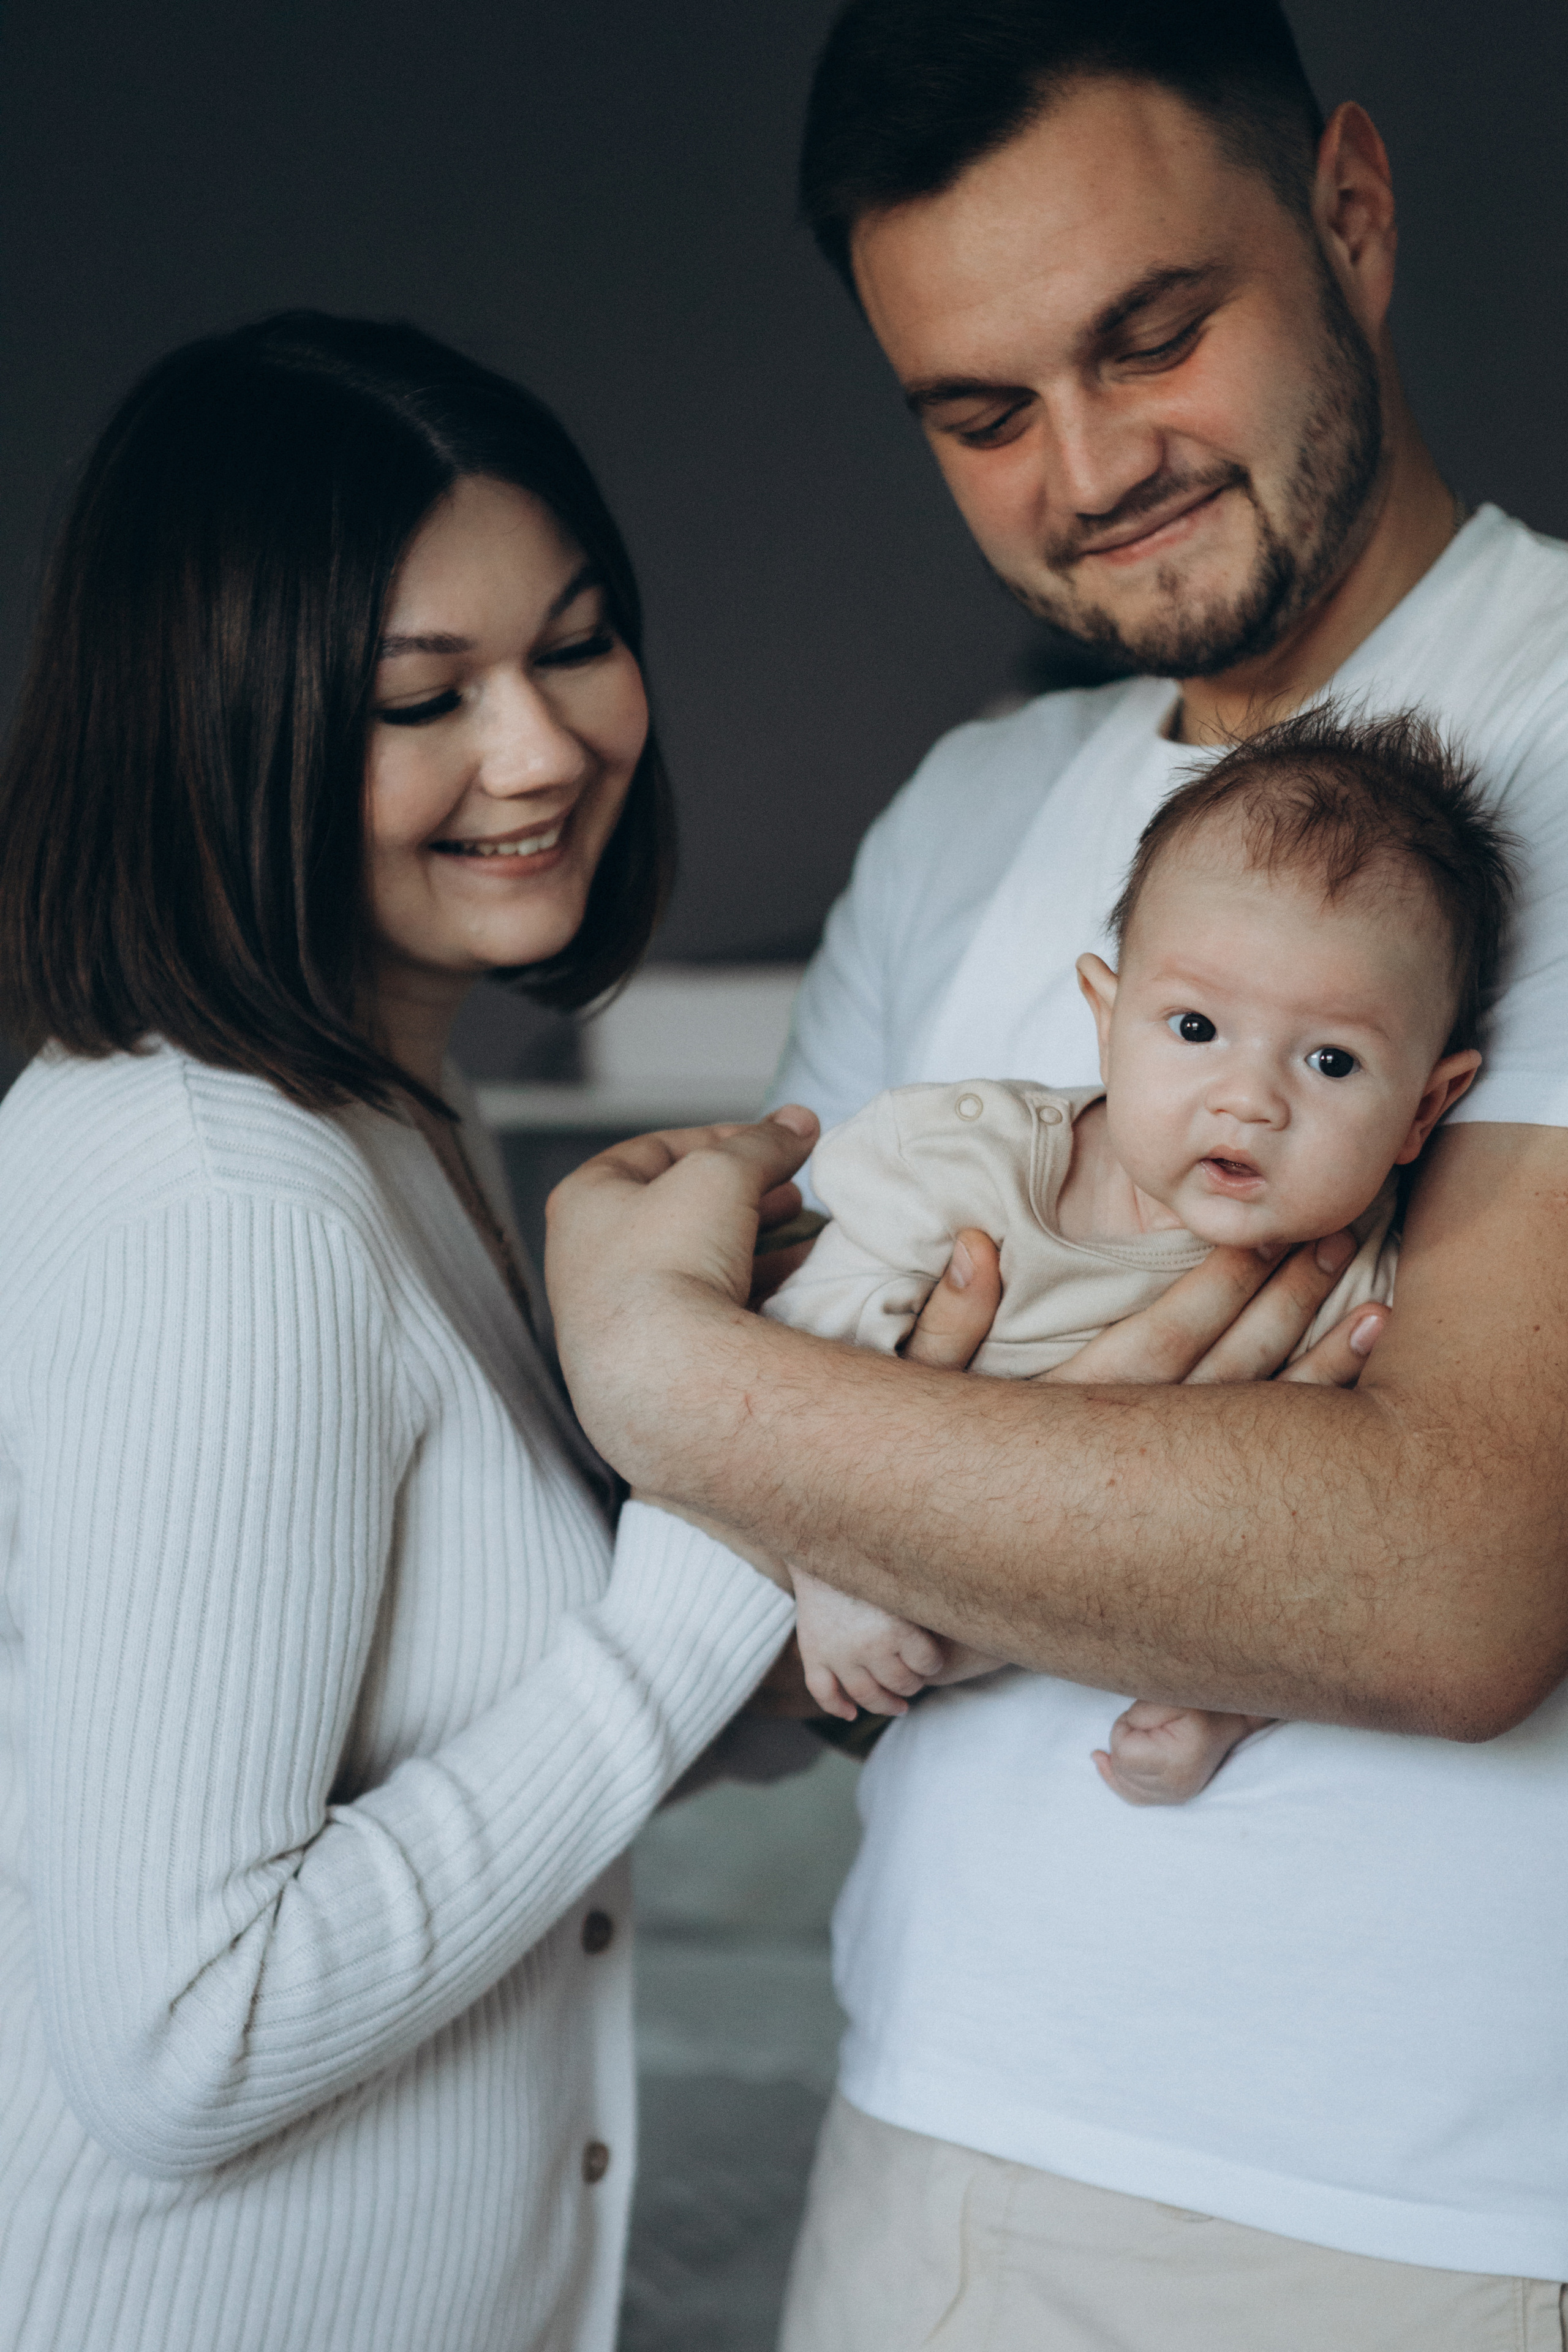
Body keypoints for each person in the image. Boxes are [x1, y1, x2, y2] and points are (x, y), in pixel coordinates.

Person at [541, 2, 1568, 2342]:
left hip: (1407, 2228)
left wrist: (661, 1366)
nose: (1088, 466)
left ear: (1352, 212)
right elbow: (758, 1620)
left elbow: (1452, 1580)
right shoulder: (971, 823)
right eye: (983, 413)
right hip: (920, 2159)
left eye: (1152, 335)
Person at [0, 312, 811, 2352]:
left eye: (575, 641)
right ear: (222, 726)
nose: (540, 751)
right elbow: (185, 2036)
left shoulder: (377, 1116)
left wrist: (819, 1645)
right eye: (419, 697)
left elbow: (443, 1726)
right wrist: (716, 1555)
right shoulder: (225, 1205)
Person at [769, 709, 1503, 1807]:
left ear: (1425, 1107)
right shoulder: (966, 1167)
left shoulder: (1365, 1284)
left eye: (1333, 1059)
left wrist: (1226, 1700)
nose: (1251, 1098)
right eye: (1197, 1029)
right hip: (872, 1586)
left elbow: (1339, 1579)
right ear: (1105, 1019)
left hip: (1063, 1641)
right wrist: (827, 1563)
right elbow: (779, 1394)